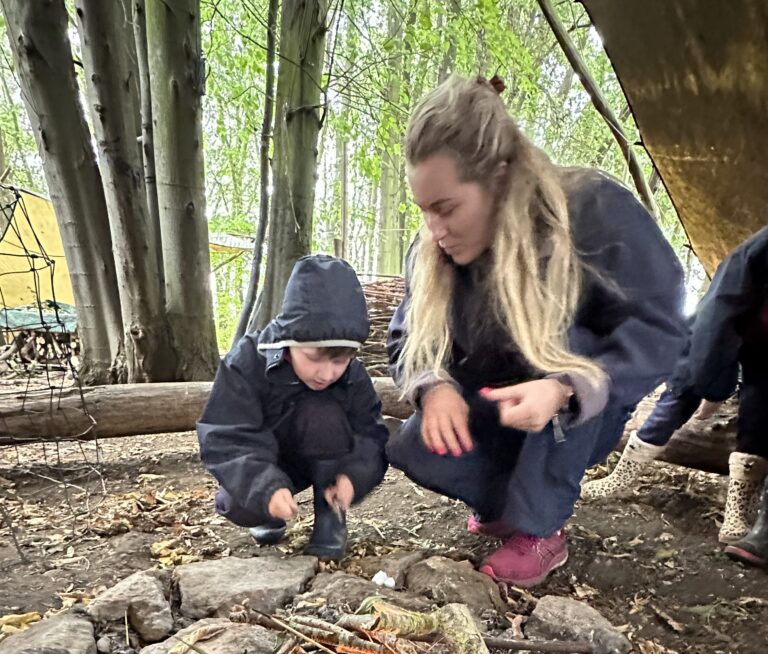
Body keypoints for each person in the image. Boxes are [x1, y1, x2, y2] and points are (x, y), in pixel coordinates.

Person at [386, 74, 688, 587]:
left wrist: (565, 387)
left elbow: (661, 327)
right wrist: (432, 388)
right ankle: (499, 501)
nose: (435, 230)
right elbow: (405, 336)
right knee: (420, 444)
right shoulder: (433, 251)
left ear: (499, 179)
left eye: (446, 208)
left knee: (568, 350)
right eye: (424, 211)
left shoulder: (591, 210)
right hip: (495, 405)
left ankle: (542, 529)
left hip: (574, 410)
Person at [582, 224, 768, 543]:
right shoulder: (753, 256)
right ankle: (621, 479)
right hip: (717, 333)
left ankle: (739, 510)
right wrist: (714, 386)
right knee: (678, 398)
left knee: (758, 419)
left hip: (764, 352)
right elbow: (717, 319)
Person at [197, 254, 389, 560]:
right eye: (314, 358)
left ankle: (330, 516)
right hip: (267, 463)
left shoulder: (353, 376)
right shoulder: (246, 362)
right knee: (235, 503)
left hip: (323, 464)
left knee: (323, 412)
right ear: (289, 340)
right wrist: (265, 487)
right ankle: (271, 512)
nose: (327, 373)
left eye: (340, 360)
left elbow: (371, 435)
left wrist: (353, 477)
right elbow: (226, 435)